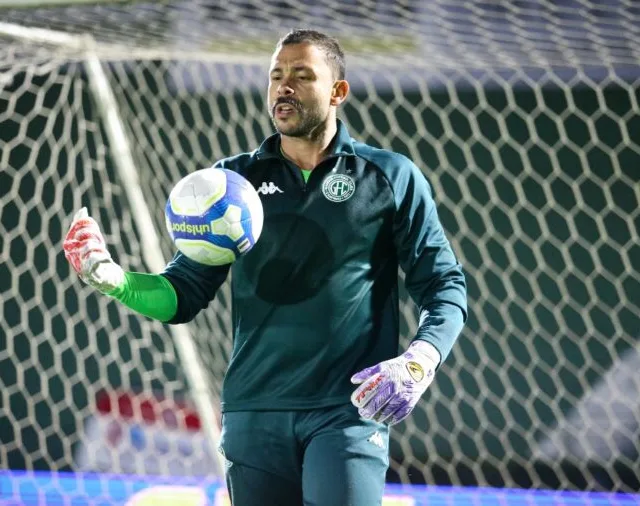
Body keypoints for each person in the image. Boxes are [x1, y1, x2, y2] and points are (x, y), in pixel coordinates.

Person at [63, 29, 467, 506]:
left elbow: (444, 285)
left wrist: (421, 359)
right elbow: (182, 294)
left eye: (302, 75)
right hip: (254, 413)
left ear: (338, 91)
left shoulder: (390, 176)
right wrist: (112, 278)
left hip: (347, 410)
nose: (284, 87)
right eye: (276, 76)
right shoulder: (229, 185)